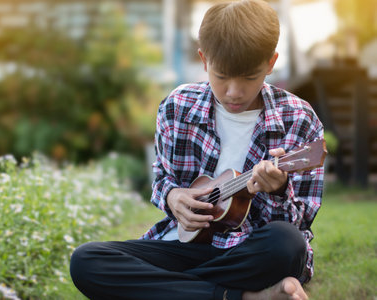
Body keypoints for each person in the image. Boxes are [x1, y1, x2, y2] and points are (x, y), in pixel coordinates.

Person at [70, 0, 324, 299]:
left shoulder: (299, 118)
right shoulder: (178, 106)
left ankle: (165, 290)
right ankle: (242, 297)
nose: (233, 92)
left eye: (249, 77)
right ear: (204, 60)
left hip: (249, 252)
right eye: (221, 76)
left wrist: (278, 190)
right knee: (86, 260)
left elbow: (301, 221)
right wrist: (172, 196)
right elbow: (162, 179)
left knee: (287, 243)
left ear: (271, 63)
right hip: (184, 247)